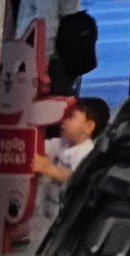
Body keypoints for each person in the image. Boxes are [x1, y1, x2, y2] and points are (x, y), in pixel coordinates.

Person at [30, 95, 109, 248]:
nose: (63, 121)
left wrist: (49, 169)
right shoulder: (61, 143)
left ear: (89, 126)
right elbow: (40, 147)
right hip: (46, 212)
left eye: (71, 117)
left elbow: (76, 176)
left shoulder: (87, 152)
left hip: (64, 217)